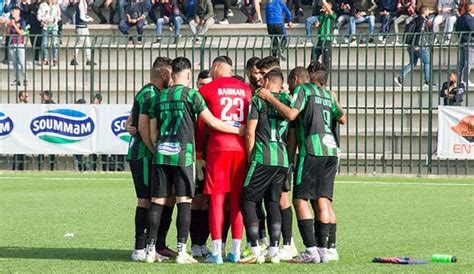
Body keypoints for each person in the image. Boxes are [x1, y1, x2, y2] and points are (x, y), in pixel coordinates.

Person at [144, 57, 245, 264]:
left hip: (161, 154)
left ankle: (150, 250)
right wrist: (238, 129)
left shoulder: (159, 97)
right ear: (189, 75)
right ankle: (182, 251)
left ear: (172, 74)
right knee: (184, 201)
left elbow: (152, 131)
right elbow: (212, 121)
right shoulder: (192, 95)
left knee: (158, 201)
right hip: (184, 155)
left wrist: (158, 149)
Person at [257, 62, 346, 264]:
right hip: (331, 150)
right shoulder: (327, 94)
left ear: (296, 80)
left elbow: (290, 114)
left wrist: (270, 97)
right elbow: (342, 118)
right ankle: (325, 250)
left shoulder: (304, 90)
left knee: (300, 199)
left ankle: (311, 250)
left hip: (312, 150)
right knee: (323, 200)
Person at [196, 56, 252, 264]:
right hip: (240, 148)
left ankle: (217, 251)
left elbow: (201, 124)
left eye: (212, 68)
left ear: (218, 67)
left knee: (217, 200)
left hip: (218, 148)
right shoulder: (246, 90)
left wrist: (199, 150)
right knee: (238, 200)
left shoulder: (208, 89)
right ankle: (236, 250)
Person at [239, 69, 292, 264]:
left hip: (263, 157)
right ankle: (274, 250)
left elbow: (250, 132)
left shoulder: (258, 100)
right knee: (273, 201)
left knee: (247, 200)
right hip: (282, 159)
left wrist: (250, 157)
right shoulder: (287, 101)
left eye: (263, 79)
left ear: (268, 81)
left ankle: (254, 247)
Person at [190, 69, 212, 258]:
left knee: (206, 201)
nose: (204, 88)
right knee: (195, 201)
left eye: (207, 85)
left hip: (210, 158)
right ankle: (194, 243)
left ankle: (202, 243)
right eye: (201, 84)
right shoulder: (191, 101)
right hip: (192, 158)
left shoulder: (211, 105)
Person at [394, 6, 435, 89]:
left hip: (410, 45)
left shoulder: (414, 19)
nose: (429, 12)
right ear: (425, 11)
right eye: (428, 11)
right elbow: (420, 33)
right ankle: (427, 81)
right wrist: (417, 45)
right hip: (418, 45)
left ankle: (400, 76)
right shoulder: (423, 21)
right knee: (427, 62)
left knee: (412, 63)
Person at [3, 6, 27, 87]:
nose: (12, 13)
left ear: (17, 12)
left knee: (22, 62)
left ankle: (25, 78)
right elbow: (7, 33)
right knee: (14, 63)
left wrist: (14, 24)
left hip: (20, 43)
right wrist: (7, 26)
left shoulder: (22, 21)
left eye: (13, 12)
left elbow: (22, 33)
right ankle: (17, 79)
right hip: (11, 43)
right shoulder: (10, 21)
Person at [311, 0, 336, 68]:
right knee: (314, 58)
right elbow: (319, 26)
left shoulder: (332, 15)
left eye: (324, 5)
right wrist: (317, 25)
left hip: (327, 40)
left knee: (326, 61)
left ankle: (325, 76)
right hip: (320, 39)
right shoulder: (321, 16)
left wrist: (323, 1)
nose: (322, 6)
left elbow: (330, 11)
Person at [70, 0, 95, 66]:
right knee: (79, 42)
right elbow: (82, 16)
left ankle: (89, 59)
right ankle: (73, 58)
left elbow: (76, 15)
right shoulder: (81, 3)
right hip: (81, 26)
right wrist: (89, 19)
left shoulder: (83, 3)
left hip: (83, 26)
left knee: (88, 42)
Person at [455, 3, 474, 88]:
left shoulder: (459, 18)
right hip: (469, 42)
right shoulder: (469, 18)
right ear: (470, 9)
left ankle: (460, 80)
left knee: (462, 63)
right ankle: (465, 80)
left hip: (462, 41)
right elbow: (472, 29)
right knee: (468, 62)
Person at [38, 0, 61, 66]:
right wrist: (43, 20)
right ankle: (45, 59)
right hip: (45, 27)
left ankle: (55, 59)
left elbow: (59, 16)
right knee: (44, 43)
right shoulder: (43, 5)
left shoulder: (56, 6)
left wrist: (55, 19)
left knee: (55, 43)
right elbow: (39, 15)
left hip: (54, 27)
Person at [38, 90, 56, 171]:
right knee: (43, 150)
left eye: (43, 96)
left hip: (48, 130)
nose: (42, 97)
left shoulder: (51, 105)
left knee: (49, 150)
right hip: (46, 130)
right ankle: (46, 167)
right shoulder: (44, 105)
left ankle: (45, 167)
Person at [12, 90, 29, 171]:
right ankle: (17, 168)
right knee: (18, 151)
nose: (28, 98)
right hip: (19, 132)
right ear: (21, 97)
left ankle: (19, 168)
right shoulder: (20, 106)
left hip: (23, 132)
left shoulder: (26, 106)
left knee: (22, 152)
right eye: (26, 96)